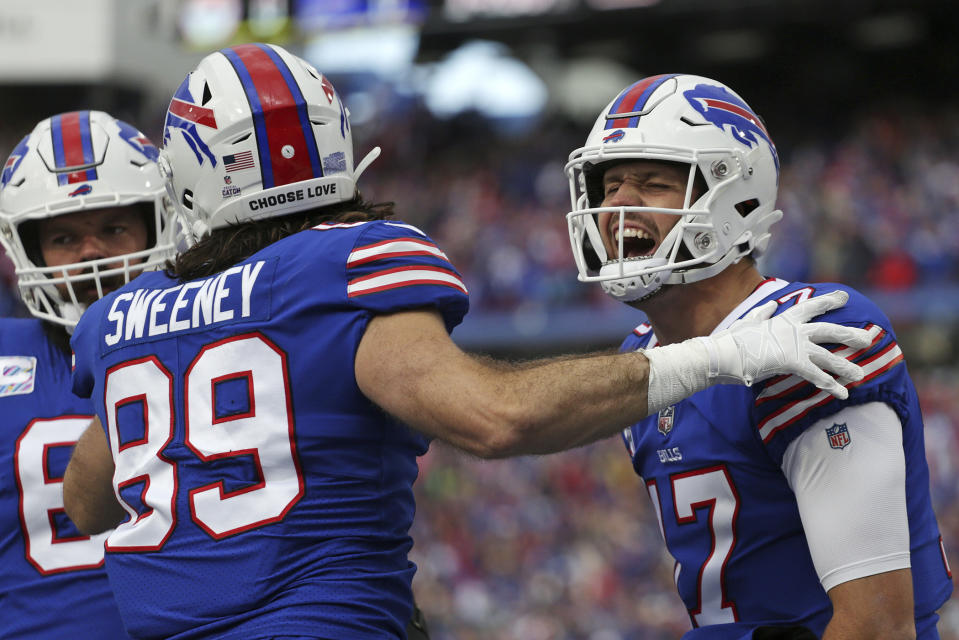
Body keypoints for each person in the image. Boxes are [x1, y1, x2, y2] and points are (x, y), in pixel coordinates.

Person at [62, 45, 871, 640]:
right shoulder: (340, 262)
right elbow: (494, 418)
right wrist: (717, 356)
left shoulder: (118, 317)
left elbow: (87, 500)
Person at [565, 73, 954, 639]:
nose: (617, 205)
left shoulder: (809, 330)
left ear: (733, 196)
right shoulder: (641, 355)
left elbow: (877, 627)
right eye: (610, 185)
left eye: (651, 183)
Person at [0, 110, 176, 638]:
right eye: (64, 239)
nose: (91, 253)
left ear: (157, 222)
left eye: (114, 227)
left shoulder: (216, 341)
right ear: (28, 252)